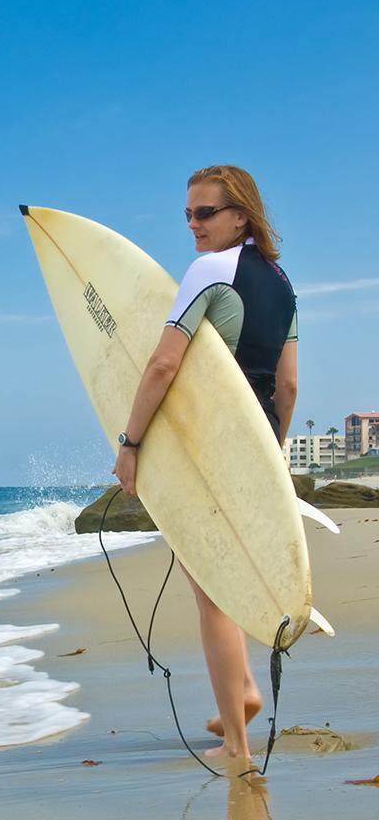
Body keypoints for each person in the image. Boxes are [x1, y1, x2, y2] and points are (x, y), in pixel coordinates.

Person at [112, 165, 298, 764]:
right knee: (224, 575)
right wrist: (271, 453)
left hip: (207, 449)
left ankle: (239, 747)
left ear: (240, 215)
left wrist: (131, 443)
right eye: (187, 214)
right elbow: (288, 384)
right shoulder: (281, 282)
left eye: (204, 213)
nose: (192, 225)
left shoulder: (210, 272)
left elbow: (164, 366)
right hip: (255, 444)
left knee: (213, 592)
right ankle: (241, 691)